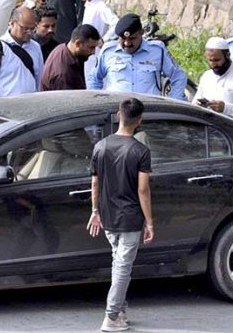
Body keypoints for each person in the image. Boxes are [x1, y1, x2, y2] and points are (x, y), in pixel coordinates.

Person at [87, 98, 153, 332]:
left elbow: (95, 184)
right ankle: (111, 316)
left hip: (107, 216)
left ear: (118, 115)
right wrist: (150, 222)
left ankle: (121, 311)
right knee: (123, 266)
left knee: (118, 263)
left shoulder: (100, 146)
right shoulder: (140, 151)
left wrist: (95, 211)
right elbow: (142, 190)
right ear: (140, 121)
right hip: (130, 217)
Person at [87, 14, 187, 100]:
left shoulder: (157, 50)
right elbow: (94, 79)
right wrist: (99, 103)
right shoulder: (108, 51)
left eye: (132, 38)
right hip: (116, 113)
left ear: (141, 33)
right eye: (123, 39)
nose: (127, 43)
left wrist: (174, 100)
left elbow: (178, 75)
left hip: (149, 112)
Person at [76, 0, 119, 77]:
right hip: (88, 53)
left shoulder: (101, 7)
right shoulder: (89, 5)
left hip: (97, 53)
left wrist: (104, 39)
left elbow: (116, 23)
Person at [0, 7, 44, 96]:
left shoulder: (36, 47)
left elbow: (40, 78)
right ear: (12, 23)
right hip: (6, 104)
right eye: (25, 28)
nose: (29, 32)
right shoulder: (0, 46)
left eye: (32, 29)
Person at [39, 24, 101, 91]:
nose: (93, 52)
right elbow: (66, 100)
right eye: (91, 48)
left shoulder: (65, 50)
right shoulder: (63, 73)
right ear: (78, 43)